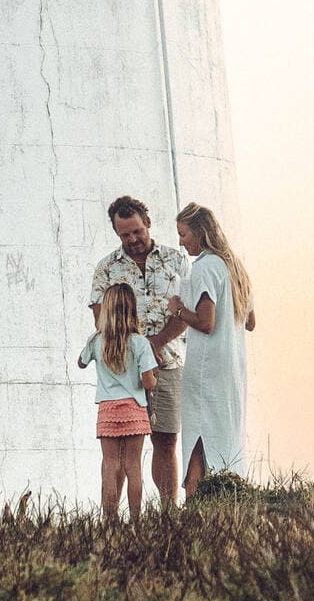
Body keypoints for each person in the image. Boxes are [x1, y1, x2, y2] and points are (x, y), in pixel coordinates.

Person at [88, 193, 190, 506]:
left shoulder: (175, 260)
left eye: (137, 231)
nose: (132, 239)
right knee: (118, 449)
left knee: (166, 439)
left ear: (147, 223)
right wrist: (133, 351)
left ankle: (168, 511)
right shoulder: (106, 268)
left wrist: (156, 343)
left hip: (168, 363)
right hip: (122, 375)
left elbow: (189, 310)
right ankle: (112, 519)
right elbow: (100, 319)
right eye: (125, 234)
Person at [160, 202, 255, 497]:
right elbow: (250, 322)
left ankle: (195, 502)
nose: (180, 241)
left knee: (198, 435)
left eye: (184, 233)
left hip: (206, 367)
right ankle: (228, 496)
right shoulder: (235, 266)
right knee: (225, 434)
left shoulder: (205, 267)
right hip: (232, 367)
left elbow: (206, 322)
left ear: (200, 232)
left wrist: (178, 310)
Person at [78, 280, 157, 519]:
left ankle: (109, 519)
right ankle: (135, 519)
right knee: (133, 466)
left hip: (108, 410)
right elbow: (148, 382)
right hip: (134, 409)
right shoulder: (140, 343)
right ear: (132, 310)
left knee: (109, 465)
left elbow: (80, 363)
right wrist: (155, 377)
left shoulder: (96, 341)